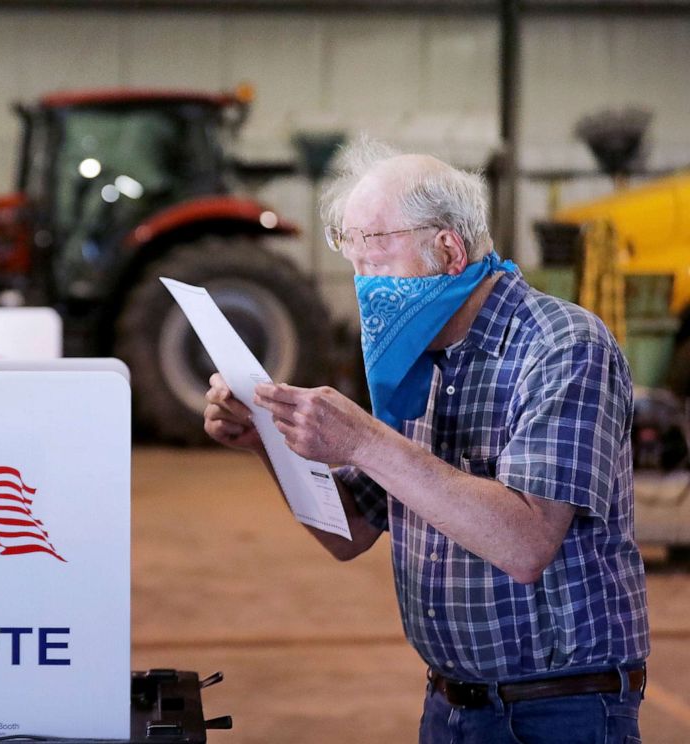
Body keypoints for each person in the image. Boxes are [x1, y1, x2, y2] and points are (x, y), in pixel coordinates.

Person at [202, 139, 649, 744]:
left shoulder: (562, 347)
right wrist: (265, 439)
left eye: (379, 260)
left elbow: (524, 543)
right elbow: (348, 530)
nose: (365, 286)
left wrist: (362, 440)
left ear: (449, 249)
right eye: (354, 260)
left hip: (559, 710)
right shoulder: (416, 361)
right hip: (450, 704)